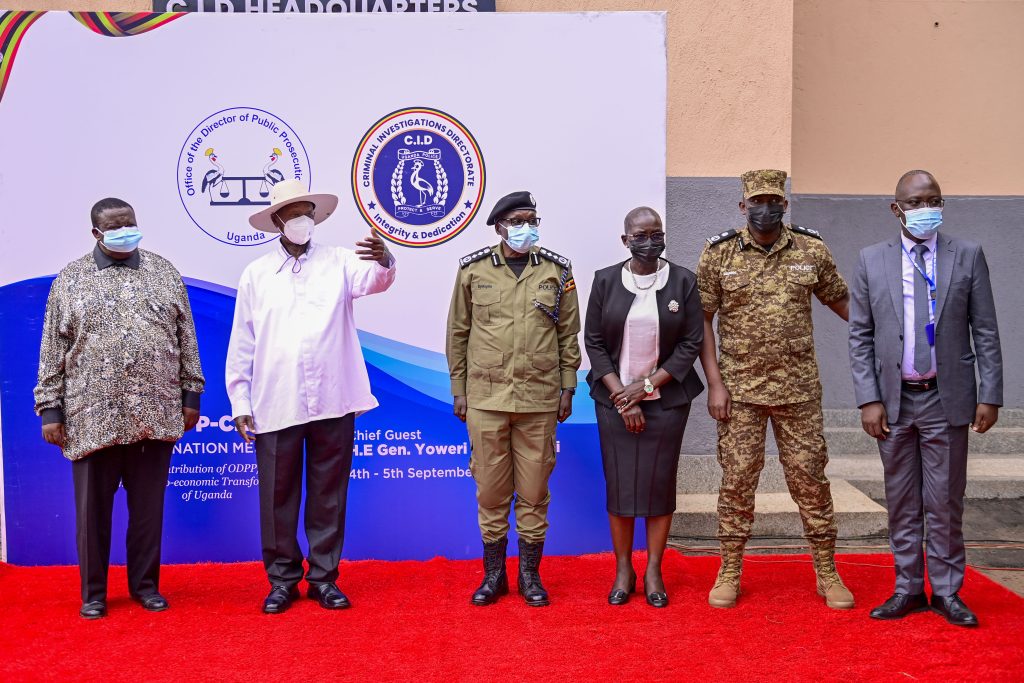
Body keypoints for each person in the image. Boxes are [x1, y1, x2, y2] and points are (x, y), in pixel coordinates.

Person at [225, 180, 395, 614]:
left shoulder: (340, 261)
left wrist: (386, 258)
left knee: (329, 493)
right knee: (277, 496)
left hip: (333, 398)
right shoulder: (257, 274)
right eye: (293, 212)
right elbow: (242, 342)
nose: (303, 219)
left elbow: (375, 281)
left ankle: (324, 578)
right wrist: (240, 402)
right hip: (274, 400)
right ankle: (282, 580)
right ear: (277, 221)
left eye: (308, 211)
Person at [34, 197, 205, 619]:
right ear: (97, 233)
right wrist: (50, 409)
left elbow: (187, 339)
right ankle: (94, 593)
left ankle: (145, 587)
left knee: (148, 511)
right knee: (93, 515)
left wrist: (191, 395)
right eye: (115, 225)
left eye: (130, 222)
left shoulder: (163, 272)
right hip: (91, 417)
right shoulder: (70, 279)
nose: (124, 229)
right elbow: (52, 349)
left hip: (155, 413)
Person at [849, 170, 1002, 627]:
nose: (925, 209)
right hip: (894, 401)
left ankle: (949, 592)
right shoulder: (871, 260)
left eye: (933, 200)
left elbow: (986, 331)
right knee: (901, 500)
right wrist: (867, 399)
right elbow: (860, 336)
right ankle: (908, 588)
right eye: (915, 202)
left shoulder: (967, 255)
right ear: (896, 209)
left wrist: (989, 393)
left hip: (947, 398)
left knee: (945, 501)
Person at [696, 169, 854, 610]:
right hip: (740, 392)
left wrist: (886, 332)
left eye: (774, 201)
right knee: (737, 480)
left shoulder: (811, 249)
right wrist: (715, 383)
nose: (766, 209)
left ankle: (826, 570)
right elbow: (702, 322)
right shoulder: (718, 254)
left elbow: (842, 303)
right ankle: (730, 568)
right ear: (743, 206)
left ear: (784, 205)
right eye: (757, 202)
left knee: (810, 479)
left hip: (798, 391)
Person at [446, 190, 581, 607]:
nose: (528, 227)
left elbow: (568, 335)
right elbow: (458, 333)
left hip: (539, 399)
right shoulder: (473, 270)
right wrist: (459, 389)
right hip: (486, 398)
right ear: (501, 225)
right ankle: (493, 576)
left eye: (533, 218)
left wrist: (568, 385)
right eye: (519, 219)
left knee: (535, 490)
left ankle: (529, 576)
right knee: (490, 491)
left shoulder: (558, 271)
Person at [584, 207, 704, 608]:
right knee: (620, 486)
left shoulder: (684, 281)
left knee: (658, 485)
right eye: (640, 235)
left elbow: (690, 344)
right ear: (625, 240)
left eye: (656, 233)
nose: (649, 241)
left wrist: (647, 386)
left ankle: (653, 567)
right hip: (613, 398)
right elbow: (594, 343)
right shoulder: (604, 280)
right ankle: (623, 568)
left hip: (667, 400)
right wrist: (623, 395)